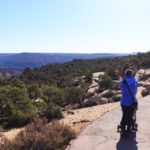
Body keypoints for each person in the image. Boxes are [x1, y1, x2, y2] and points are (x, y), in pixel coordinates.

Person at [120, 69, 138, 133]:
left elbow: (122, 91)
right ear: (132, 74)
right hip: (131, 102)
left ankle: (123, 126)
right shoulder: (135, 81)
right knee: (130, 115)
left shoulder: (122, 81)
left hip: (123, 101)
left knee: (124, 114)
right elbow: (135, 92)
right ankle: (130, 126)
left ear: (125, 74)